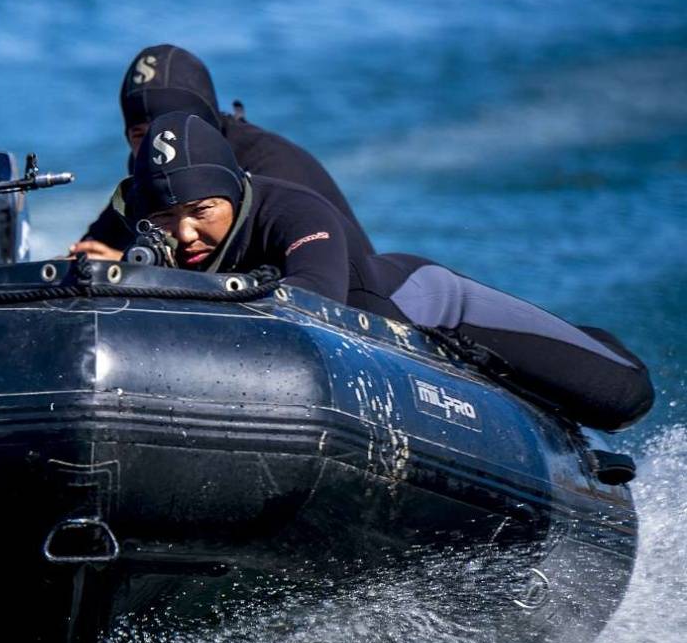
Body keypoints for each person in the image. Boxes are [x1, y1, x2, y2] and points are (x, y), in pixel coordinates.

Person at [124, 112, 653, 431]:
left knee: (621, 396)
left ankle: (590, 344)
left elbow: (315, 303)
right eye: (167, 218)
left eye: (201, 212)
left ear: (234, 193)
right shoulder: (160, 249)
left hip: (429, 305)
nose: (187, 234)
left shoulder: (294, 211)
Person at [70, 44, 372, 260]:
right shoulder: (147, 166)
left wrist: (128, 268)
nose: (158, 141)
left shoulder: (270, 168)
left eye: (175, 123)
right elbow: (94, 247)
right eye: (139, 134)